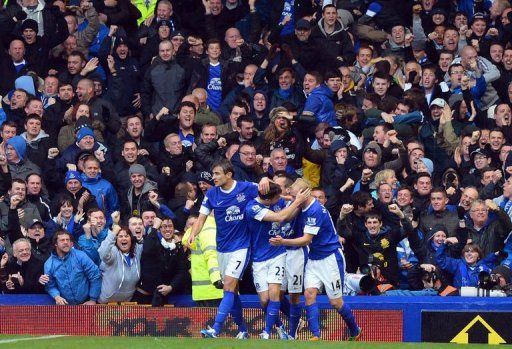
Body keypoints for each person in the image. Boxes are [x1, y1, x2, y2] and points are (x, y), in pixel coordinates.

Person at [270, 178, 361, 341]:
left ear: (304, 194)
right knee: (309, 293)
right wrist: (287, 198)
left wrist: (282, 242)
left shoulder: (315, 210)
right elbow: (288, 206)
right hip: (314, 258)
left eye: (295, 196)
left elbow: (306, 240)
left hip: (330, 257)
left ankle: (355, 330)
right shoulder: (303, 204)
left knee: (336, 302)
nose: (292, 199)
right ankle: (316, 335)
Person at [188, 159, 269, 339]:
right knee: (231, 290)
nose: (213, 177)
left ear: (229, 174)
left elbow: (268, 188)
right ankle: (242, 330)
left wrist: (264, 178)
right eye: (213, 174)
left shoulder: (246, 188)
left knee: (229, 286)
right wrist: (194, 233)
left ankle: (215, 329)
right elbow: (201, 218)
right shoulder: (211, 195)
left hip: (241, 246)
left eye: (217, 174)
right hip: (222, 248)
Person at [245, 181, 310, 339]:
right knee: (265, 300)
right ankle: (280, 328)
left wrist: (298, 201)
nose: (280, 200)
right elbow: (281, 216)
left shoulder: (277, 200)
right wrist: (297, 201)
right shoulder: (252, 208)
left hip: (277, 254)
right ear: (268, 200)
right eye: (277, 198)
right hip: (259, 258)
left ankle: (267, 332)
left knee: (275, 294)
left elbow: (289, 209)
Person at [44, 230, 102, 305]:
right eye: (62, 240)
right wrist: (57, 296)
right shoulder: (49, 264)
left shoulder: (81, 256)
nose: (65, 242)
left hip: (87, 303)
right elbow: (50, 286)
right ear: (56, 244)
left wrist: (93, 299)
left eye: (67, 240)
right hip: (65, 306)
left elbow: (95, 276)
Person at [97, 213, 143, 303]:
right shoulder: (113, 252)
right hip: (106, 303)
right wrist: (113, 233)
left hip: (126, 304)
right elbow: (102, 253)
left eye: (126, 236)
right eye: (120, 236)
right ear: (116, 240)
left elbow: (146, 241)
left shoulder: (137, 250)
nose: (123, 239)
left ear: (131, 239)